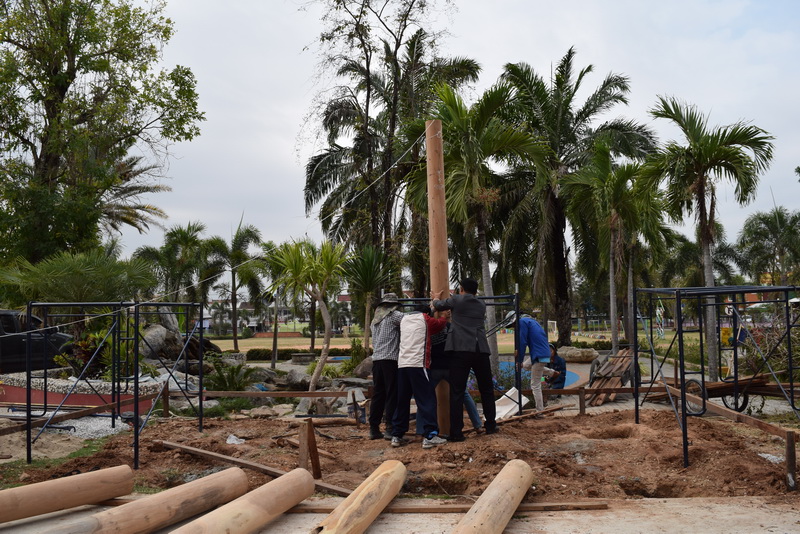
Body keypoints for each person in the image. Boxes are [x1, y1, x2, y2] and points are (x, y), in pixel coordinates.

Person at [432, 277, 497, 442]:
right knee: (487, 389)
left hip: (460, 350)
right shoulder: (481, 304)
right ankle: (491, 425)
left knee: (457, 391)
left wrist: (436, 298)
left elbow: (439, 305)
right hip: (480, 349)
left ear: (461, 289)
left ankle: (456, 432)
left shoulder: (457, 300)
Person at [391, 305, 449, 449]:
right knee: (427, 400)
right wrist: (444, 316)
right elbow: (440, 325)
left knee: (402, 400)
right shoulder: (426, 319)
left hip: (402, 365)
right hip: (418, 365)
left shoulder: (404, 319)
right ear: (427, 313)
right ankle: (430, 436)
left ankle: (397, 435)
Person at [420, 313, 483, 438]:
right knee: (463, 394)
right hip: (450, 367)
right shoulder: (451, 328)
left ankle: (420, 430)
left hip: (435, 367)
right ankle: (477, 425)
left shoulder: (429, 328)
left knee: (425, 397)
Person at [368, 292, 404, 440]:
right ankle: (390, 427)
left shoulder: (375, 320)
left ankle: (374, 428)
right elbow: (410, 320)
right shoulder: (394, 316)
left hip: (376, 360)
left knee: (378, 394)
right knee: (392, 394)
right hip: (390, 360)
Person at [509, 311, 560, 410]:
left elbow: (522, 342)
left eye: (513, 325)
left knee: (535, 385)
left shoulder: (522, 322)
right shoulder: (532, 321)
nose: (514, 328)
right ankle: (552, 373)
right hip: (542, 352)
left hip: (538, 355)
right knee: (525, 366)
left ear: (515, 321)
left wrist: (519, 360)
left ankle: (539, 411)